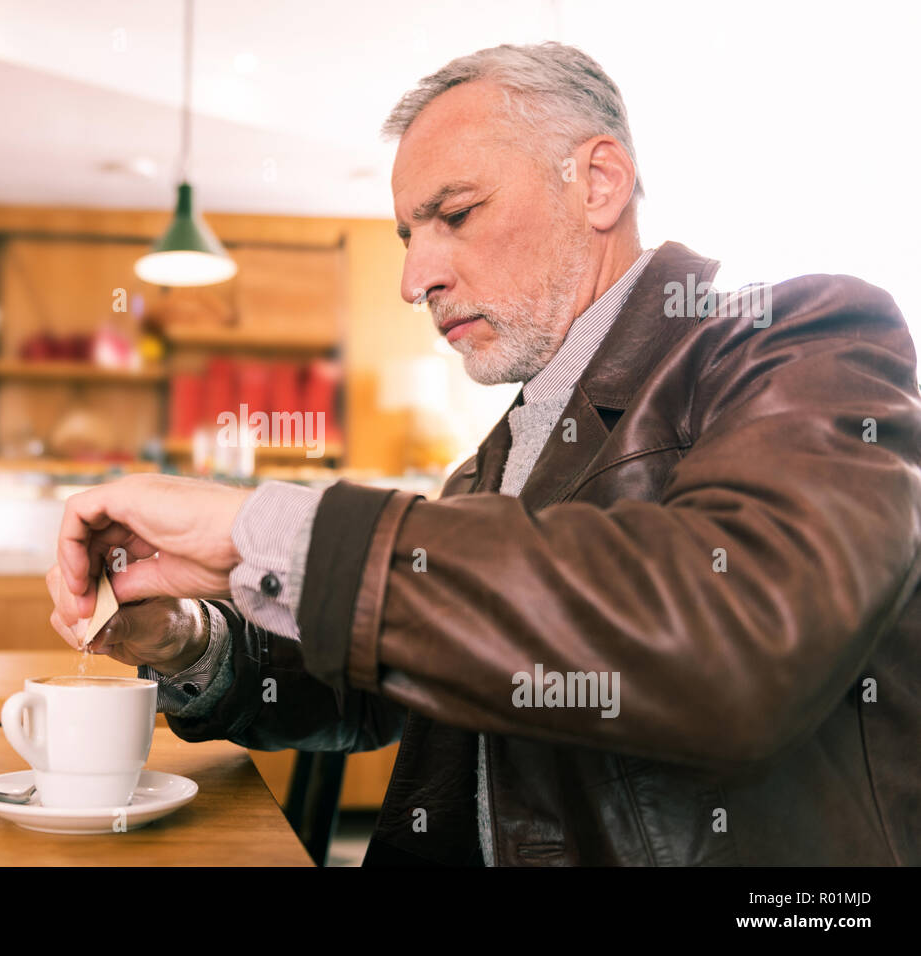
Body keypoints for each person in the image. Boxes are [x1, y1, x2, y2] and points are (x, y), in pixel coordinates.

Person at [48, 42, 921, 866]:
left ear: (599, 183)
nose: (413, 279)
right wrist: (193, 642)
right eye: (407, 236)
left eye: (456, 215)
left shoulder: (806, 340)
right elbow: (383, 689)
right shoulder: (499, 458)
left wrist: (258, 527)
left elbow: (740, 633)